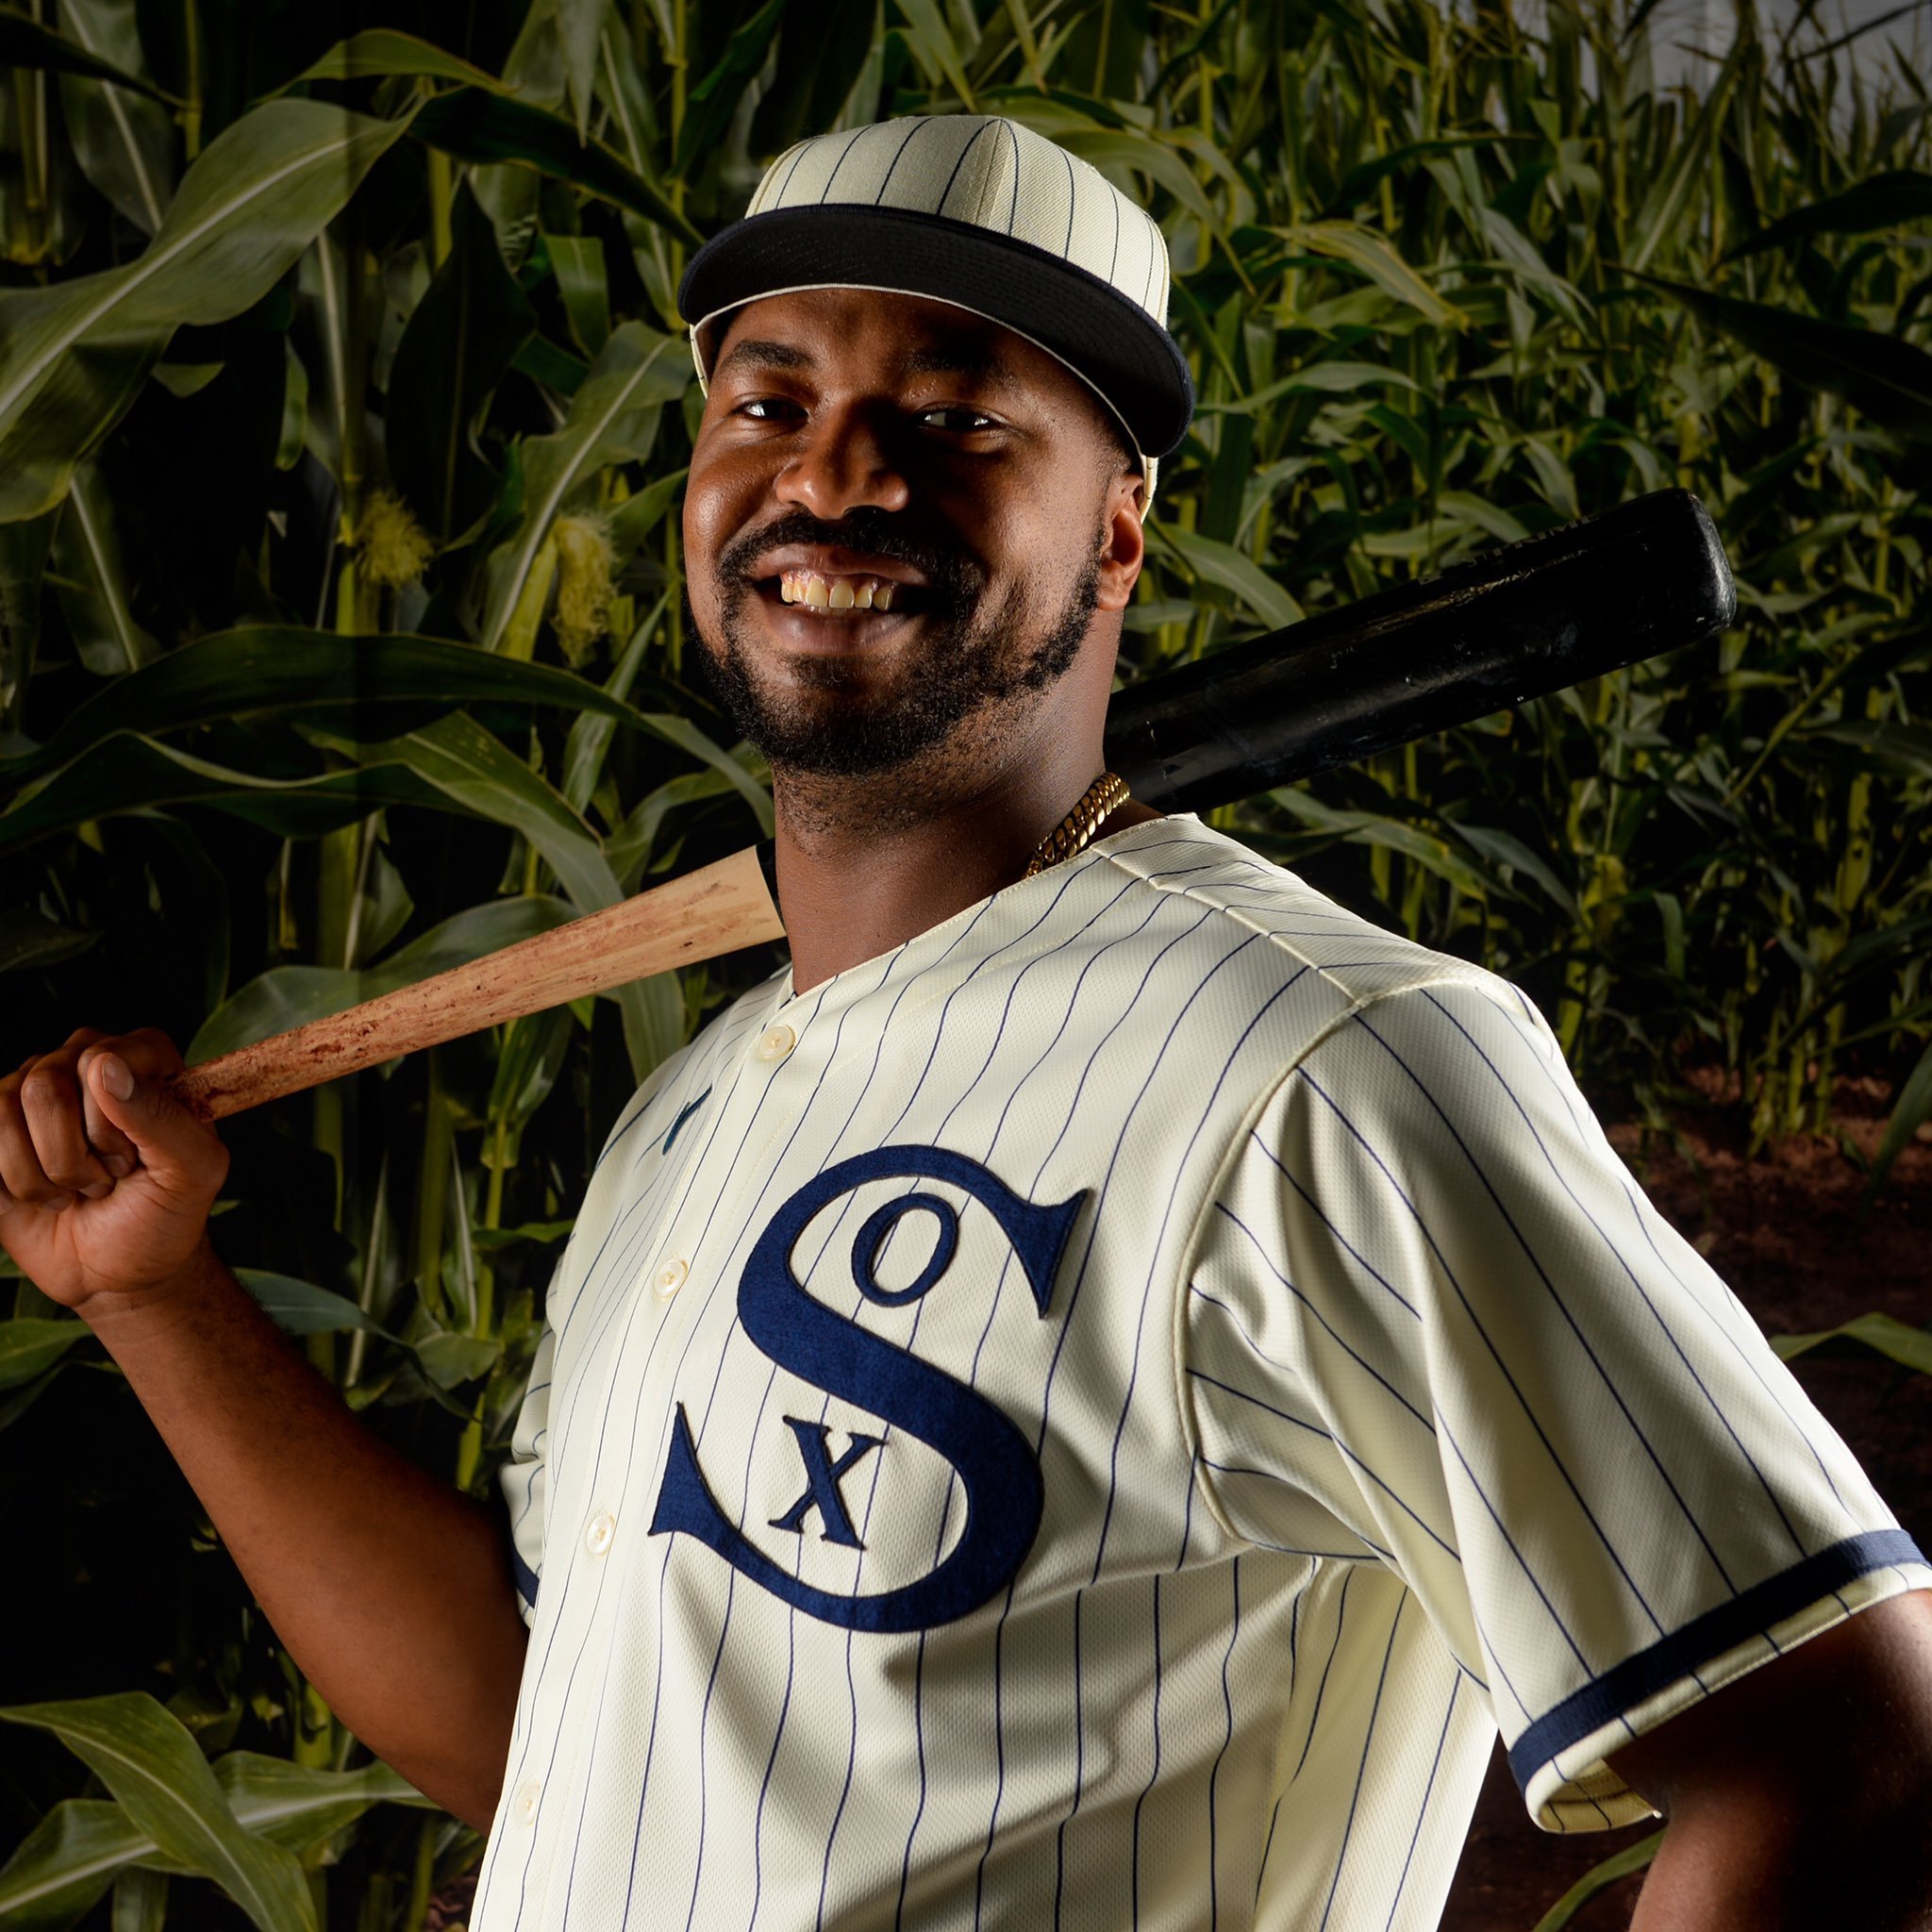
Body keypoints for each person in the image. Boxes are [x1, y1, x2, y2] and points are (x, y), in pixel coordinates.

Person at [3, 112, 1930, 1932]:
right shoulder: (696, 1103)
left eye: (957, 419)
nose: (835, 473)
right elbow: (539, 1728)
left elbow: (1840, 1746)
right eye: (771, 401)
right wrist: (160, 1298)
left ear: (1117, 533)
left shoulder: (1321, 1063)